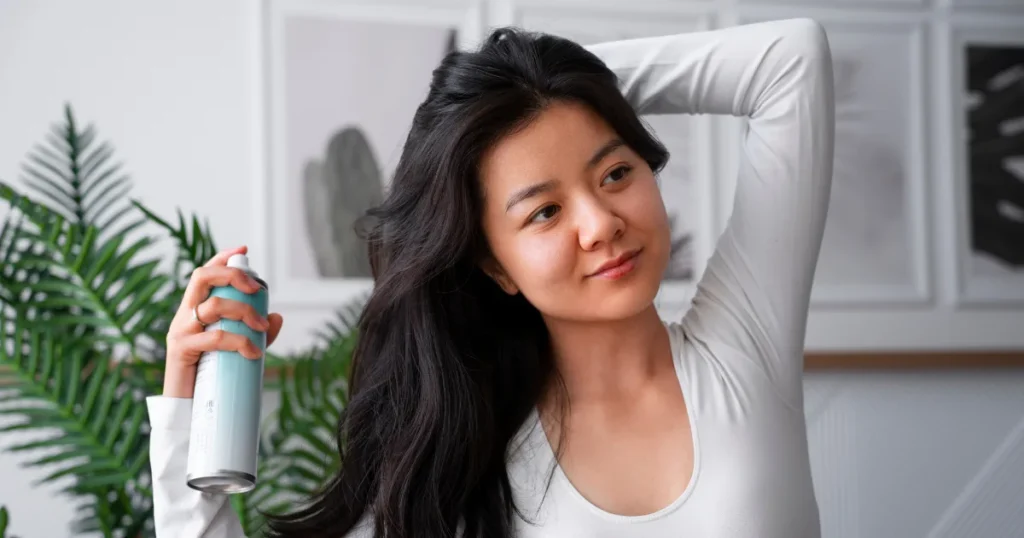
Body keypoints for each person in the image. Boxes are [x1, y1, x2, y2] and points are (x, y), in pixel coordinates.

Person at [149, 17, 835, 538]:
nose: (600, 223)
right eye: (544, 211)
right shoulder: (462, 463)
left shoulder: (743, 349)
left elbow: (791, 62)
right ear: (493, 264)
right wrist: (185, 406)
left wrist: (541, 83)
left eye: (616, 172)